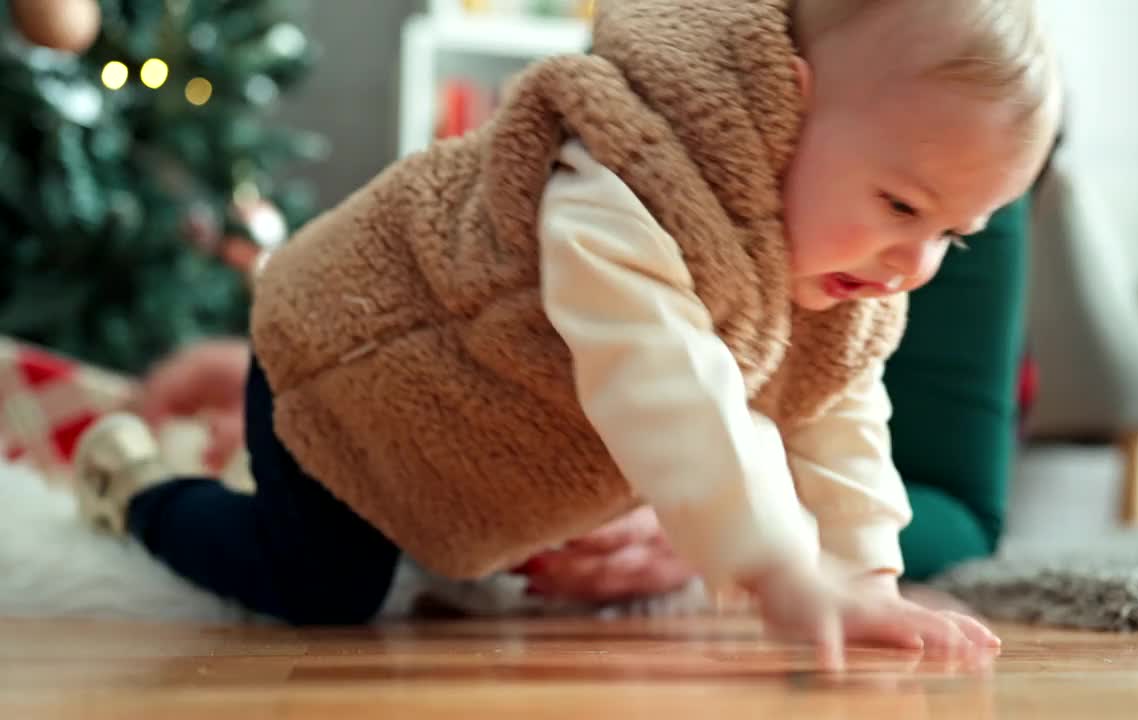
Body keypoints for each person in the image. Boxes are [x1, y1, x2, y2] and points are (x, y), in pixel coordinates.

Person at [70, 0, 1059, 670]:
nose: (913, 261)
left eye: (953, 235)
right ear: (789, 103)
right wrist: (775, 566)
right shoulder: (625, 177)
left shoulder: (843, 271)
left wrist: (864, 581)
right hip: (342, 369)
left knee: (441, 563)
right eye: (898, 203)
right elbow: (657, 370)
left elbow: (839, 415)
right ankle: (137, 490)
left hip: (463, 429)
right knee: (324, 591)